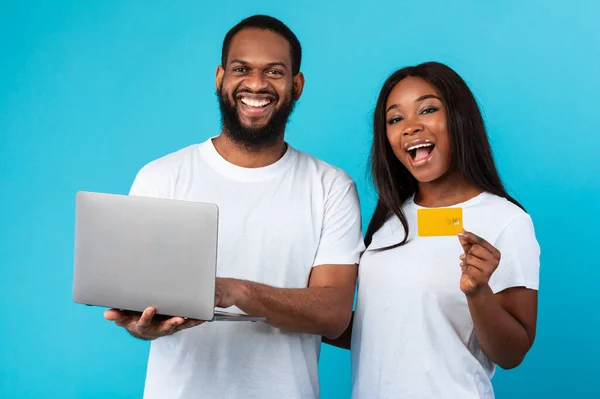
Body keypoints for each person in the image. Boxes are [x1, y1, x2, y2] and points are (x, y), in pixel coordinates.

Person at [103, 15, 364, 399]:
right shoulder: (161, 177)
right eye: (242, 69)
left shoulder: (330, 187)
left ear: (297, 85)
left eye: (274, 71)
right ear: (220, 78)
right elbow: (136, 298)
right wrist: (139, 326)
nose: (256, 84)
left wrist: (236, 291)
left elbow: (334, 312)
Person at [325, 62, 540, 398]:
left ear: (459, 118)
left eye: (427, 110)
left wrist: (478, 291)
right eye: (395, 119)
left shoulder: (506, 220)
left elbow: (512, 353)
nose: (410, 127)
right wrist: (290, 310)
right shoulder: (390, 220)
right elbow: (380, 332)